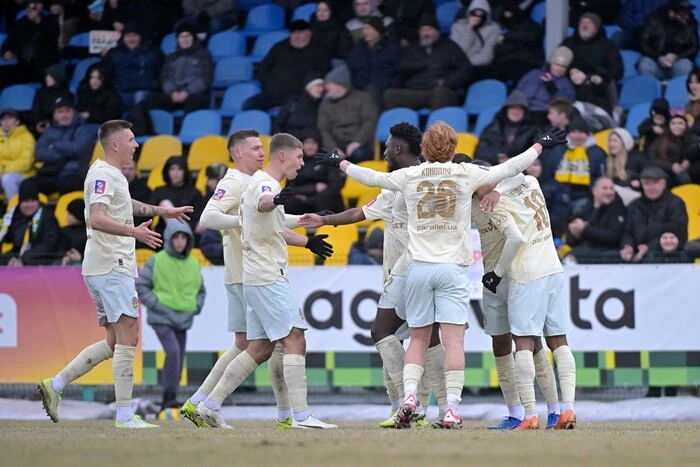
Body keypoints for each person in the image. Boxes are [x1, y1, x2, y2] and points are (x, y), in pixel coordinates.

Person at [316, 122, 568, 429]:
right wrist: (540, 145)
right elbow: (510, 167)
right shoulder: (466, 173)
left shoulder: (410, 175)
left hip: (418, 267)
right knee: (453, 343)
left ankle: (410, 397)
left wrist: (341, 163)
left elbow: (370, 177)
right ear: (453, 147)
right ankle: (451, 409)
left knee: (418, 339)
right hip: (453, 269)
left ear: (424, 148)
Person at [37, 119, 193, 428]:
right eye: (131, 140)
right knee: (129, 336)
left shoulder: (109, 175)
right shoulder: (103, 175)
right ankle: (124, 414)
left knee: (114, 340)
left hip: (105, 265)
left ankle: (55, 384)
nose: (136, 145)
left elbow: (123, 204)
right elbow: (97, 218)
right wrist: (134, 232)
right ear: (115, 144)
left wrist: (163, 211)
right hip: (111, 264)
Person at [299, 122, 448, 428]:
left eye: (387, 147)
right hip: (434, 268)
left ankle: (409, 405)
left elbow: (363, 206)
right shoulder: (429, 178)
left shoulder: (399, 182)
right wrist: (326, 220)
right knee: (427, 339)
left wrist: (341, 165)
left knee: (384, 333)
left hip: (407, 271)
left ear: (398, 148)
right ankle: (442, 409)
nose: (384, 152)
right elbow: (362, 212)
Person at [181, 130, 330, 429]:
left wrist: (306, 223)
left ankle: (207, 403)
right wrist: (255, 212)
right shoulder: (245, 182)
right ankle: (298, 416)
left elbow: (271, 218)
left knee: (258, 346)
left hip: (250, 273)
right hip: (256, 273)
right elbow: (222, 215)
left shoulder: (258, 181)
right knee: (289, 338)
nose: (261, 152)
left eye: (262, 147)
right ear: (237, 153)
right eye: (255, 148)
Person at [479, 173, 578, 430]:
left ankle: (530, 415)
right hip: (553, 268)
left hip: (526, 274)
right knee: (559, 341)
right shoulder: (532, 183)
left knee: (524, 343)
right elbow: (521, 173)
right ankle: (567, 409)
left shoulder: (495, 205)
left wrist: (496, 273)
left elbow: (515, 239)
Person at [136, 219, 205, 412]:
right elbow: (142, 287)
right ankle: (168, 398)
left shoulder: (193, 263)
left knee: (178, 357)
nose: (180, 241)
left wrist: (196, 307)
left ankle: (171, 397)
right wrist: (156, 305)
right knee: (173, 352)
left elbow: (201, 291)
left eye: (184, 237)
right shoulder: (156, 260)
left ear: (189, 239)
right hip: (162, 317)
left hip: (184, 318)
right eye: (176, 237)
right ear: (169, 238)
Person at [133, 23, 214, 135]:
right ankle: (147, 132)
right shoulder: (171, 57)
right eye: (181, 36)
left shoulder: (204, 55)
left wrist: (187, 92)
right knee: (148, 101)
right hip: (173, 95)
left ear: (193, 38)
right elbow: (164, 78)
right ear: (178, 39)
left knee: (194, 102)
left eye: (188, 36)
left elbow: (205, 79)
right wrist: (172, 92)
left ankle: (188, 135)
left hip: (194, 94)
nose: (185, 39)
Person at [382, 16, 471, 111]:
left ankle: (437, 121)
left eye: (429, 29)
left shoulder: (450, 47)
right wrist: (422, 64)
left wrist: (446, 82)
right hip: (417, 91)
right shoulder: (413, 48)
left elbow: (465, 69)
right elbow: (402, 66)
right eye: (422, 30)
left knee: (440, 92)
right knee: (389, 95)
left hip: (441, 89)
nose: (425, 33)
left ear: (437, 32)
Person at [243, 20, 331, 111]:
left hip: (299, 95)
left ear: (309, 34)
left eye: (300, 33)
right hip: (272, 93)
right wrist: (268, 85)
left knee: (290, 111)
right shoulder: (279, 47)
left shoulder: (319, 52)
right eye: (293, 33)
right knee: (248, 105)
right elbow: (263, 68)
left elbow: (322, 74)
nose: (296, 36)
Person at [28, 98, 100, 195]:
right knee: (28, 184)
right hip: (53, 173)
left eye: (67, 111)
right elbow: (39, 153)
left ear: (74, 113)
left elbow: (77, 150)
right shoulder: (49, 131)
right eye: (60, 112)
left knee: (65, 184)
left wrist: (55, 145)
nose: (64, 115)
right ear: (55, 116)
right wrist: (66, 152)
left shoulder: (84, 129)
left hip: (75, 173)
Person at [620, 166, 688, 263]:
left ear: (664, 184)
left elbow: (677, 233)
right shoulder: (634, 205)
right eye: (647, 183)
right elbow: (627, 231)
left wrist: (648, 248)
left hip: (666, 259)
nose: (651, 187)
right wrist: (627, 246)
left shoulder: (676, 204)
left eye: (655, 183)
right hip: (636, 258)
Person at [561, 12, 623, 114]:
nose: (585, 25)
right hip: (571, 84)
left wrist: (598, 76)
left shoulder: (607, 45)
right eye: (582, 22)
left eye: (589, 23)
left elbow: (617, 70)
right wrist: (572, 72)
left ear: (596, 27)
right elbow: (556, 64)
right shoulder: (569, 43)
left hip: (596, 87)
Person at [317, 65, 379, 163]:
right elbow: (324, 129)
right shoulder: (325, 104)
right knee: (328, 158)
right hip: (336, 145)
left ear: (340, 85)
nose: (326, 87)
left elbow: (369, 122)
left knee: (359, 154)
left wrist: (357, 142)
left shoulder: (363, 98)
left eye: (329, 84)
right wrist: (334, 148)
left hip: (360, 144)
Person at [563, 176, 627, 264]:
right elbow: (572, 237)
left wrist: (584, 230)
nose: (609, 192)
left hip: (609, 252)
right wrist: (574, 234)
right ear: (594, 191)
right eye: (604, 188)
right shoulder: (587, 207)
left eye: (611, 188)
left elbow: (613, 237)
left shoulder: (618, 208)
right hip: (587, 249)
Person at [0, 179, 60, 266]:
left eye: (33, 200)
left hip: (40, 262)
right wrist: (8, 259)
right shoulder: (10, 218)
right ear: (20, 202)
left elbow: (49, 243)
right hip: (12, 262)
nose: (30, 205)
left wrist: (23, 259)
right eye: (26, 201)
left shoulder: (48, 216)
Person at [345, 16, 402, 107]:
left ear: (378, 30)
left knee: (371, 91)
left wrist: (392, 86)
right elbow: (352, 70)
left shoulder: (392, 49)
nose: (364, 32)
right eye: (363, 29)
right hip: (361, 89)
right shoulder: (357, 50)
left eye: (368, 28)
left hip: (385, 89)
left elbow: (398, 71)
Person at [284, 129, 344, 215]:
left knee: (323, 201)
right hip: (302, 198)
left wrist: (310, 200)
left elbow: (336, 185)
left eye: (313, 143)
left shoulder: (328, 161)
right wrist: (313, 188)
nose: (310, 146)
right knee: (289, 203)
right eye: (307, 143)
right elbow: (289, 188)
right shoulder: (294, 163)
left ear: (318, 144)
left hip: (324, 199)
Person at [103, 21, 162, 108]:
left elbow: (160, 73)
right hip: (120, 92)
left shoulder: (153, 51)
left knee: (140, 96)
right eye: (128, 36)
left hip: (144, 91)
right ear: (123, 37)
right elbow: (107, 74)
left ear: (140, 36)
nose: (131, 39)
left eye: (134, 35)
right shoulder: (114, 53)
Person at [554, 115, 607, 207]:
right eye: (573, 132)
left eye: (581, 132)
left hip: (586, 196)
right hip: (559, 195)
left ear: (587, 134)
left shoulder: (597, 152)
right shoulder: (560, 149)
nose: (577, 136)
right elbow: (550, 172)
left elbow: (600, 177)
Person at [638, 0, 698, 80]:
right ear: (672, 13)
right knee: (644, 65)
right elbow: (643, 43)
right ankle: (652, 87)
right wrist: (658, 57)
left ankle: (676, 87)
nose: (687, 17)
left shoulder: (691, 23)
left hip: (678, 61)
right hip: (655, 60)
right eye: (682, 14)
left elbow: (694, 46)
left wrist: (677, 57)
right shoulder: (653, 20)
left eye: (688, 13)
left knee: (686, 66)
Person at [474, 90, 538, 165]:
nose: (516, 111)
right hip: (493, 167)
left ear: (525, 112)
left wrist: (511, 160)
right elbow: (481, 151)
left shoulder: (533, 130)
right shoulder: (491, 128)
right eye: (513, 108)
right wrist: (497, 158)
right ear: (506, 110)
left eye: (519, 109)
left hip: (521, 168)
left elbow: (536, 154)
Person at [515, 46, 576, 123]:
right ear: (551, 63)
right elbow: (517, 92)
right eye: (556, 64)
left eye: (563, 67)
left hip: (546, 116)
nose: (558, 68)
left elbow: (566, 106)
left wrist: (551, 88)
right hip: (524, 111)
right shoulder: (534, 74)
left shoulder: (567, 84)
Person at [149, 156, 204, 237]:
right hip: (163, 234)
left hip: (188, 234)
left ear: (185, 172)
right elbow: (148, 214)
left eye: (179, 169)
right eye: (172, 169)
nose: (176, 173)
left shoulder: (195, 193)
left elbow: (197, 220)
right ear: (167, 172)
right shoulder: (159, 191)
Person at [449, 0, 501, 82]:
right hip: (457, 65)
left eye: (481, 14)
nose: (477, 18)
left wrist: (466, 64)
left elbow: (487, 56)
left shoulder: (493, 29)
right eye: (475, 14)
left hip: (476, 67)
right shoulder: (458, 26)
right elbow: (457, 51)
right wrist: (469, 30)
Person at [648, 110, 696, 186]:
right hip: (666, 170)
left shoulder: (692, 138)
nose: (676, 126)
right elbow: (653, 156)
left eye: (680, 123)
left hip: (686, 172)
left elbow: (695, 152)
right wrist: (671, 166)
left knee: (684, 178)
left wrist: (688, 161)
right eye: (673, 123)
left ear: (685, 125)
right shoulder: (662, 139)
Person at [272, 73, 324, 138]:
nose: (321, 89)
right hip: (289, 141)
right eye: (318, 86)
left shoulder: (321, 107)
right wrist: (283, 140)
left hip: (311, 142)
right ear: (309, 86)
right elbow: (277, 124)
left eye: (322, 86)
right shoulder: (293, 103)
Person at [0, 108, 36, 200]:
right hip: (2, 174)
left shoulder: (27, 137)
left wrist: (4, 171)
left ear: (17, 121)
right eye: (3, 119)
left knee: (8, 179)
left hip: (24, 176)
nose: (6, 121)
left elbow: (26, 162)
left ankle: (14, 207)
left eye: (10, 118)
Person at [31, 64, 74, 136]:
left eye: (50, 76)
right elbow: (36, 110)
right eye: (46, 76)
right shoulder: (41, 92)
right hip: (41, 127)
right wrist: (37, 123)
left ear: (57, 77)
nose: (47, 78)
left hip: (59, 127)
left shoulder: (67, 94)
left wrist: (51, 123)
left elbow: (66, 114)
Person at [59, 199, 88, 266]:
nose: (67, 216)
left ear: (78, 215)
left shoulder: (90, 232)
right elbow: (59, 249)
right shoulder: (64, 231)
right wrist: (66, 255)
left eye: (70, 214)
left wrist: (81, 257)